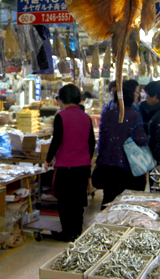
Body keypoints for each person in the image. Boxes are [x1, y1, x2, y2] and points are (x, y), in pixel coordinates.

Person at [44, 84, 95, 241]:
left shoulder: (61, 116)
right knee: (78, 200)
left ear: (61, 100)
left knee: (65, 202)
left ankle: (67, 233)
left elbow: (56, 140)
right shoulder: (86, 117)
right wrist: (87, 158)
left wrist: (48, 159)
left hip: (66, 166)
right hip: (82, 166)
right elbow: (91, 142)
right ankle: (77, 231)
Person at [93, 80, 148, 208]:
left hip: (106, 165)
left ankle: (104, 224)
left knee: (108, 198)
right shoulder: (134, 115)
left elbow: (101, 140)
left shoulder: (106, 114)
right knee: (126, 201)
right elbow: (141, 139)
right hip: (127, 166)